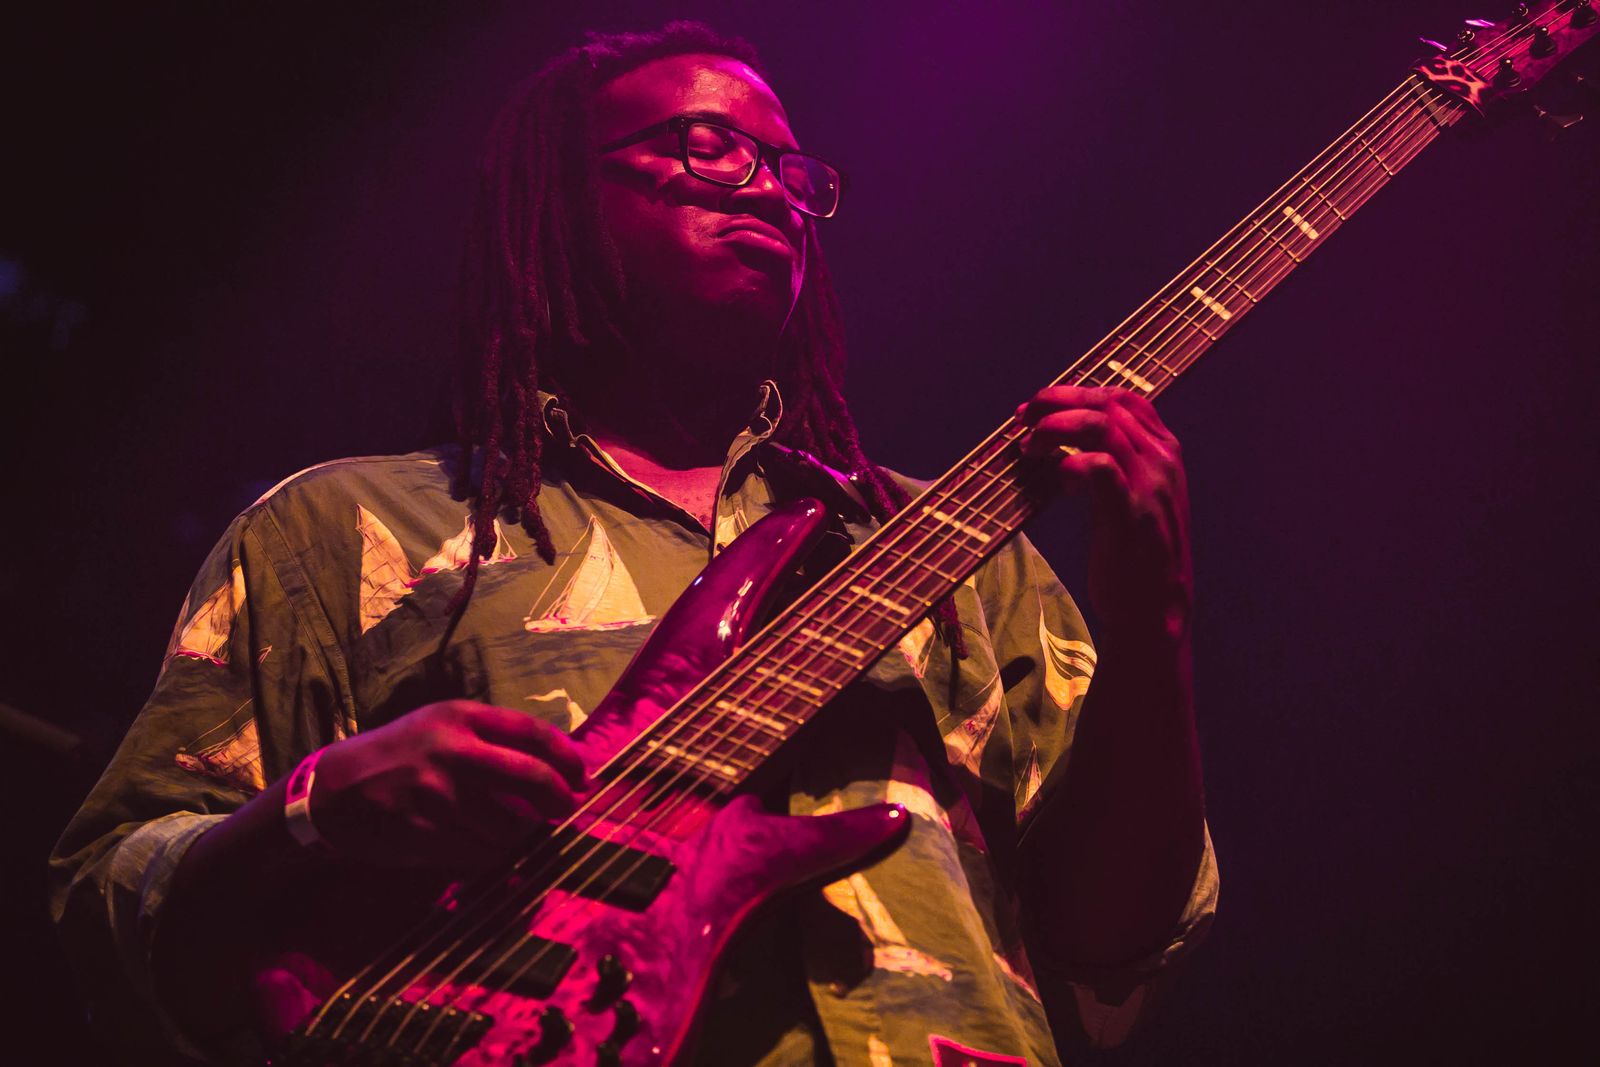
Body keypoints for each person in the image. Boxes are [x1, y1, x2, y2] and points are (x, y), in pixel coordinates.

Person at [50, 21, 1215, 1066]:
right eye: (708, 147)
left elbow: (1113, 942)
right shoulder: (341, 529)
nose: (767, 189)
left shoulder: (963, 553)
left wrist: (1152, 610)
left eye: (790, 171)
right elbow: (113, 903)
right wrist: (316, 807)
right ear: (558, 203)